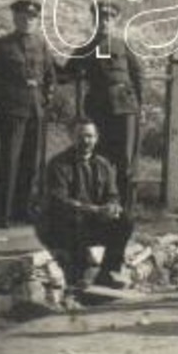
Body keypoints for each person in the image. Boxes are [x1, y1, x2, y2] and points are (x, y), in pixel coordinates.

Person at [0, 0, 56, 227]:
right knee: (10, 161)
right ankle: (1, 214)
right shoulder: (1, 46)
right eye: (23, 17)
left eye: (32, 18)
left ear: (36, 21)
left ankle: (22, 210)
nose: (28, 21)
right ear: (15, 18)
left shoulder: (41, 44)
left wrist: (46, 97)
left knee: (30, 162)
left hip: (35, 110)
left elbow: (50, 75)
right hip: (12, 110)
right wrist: (3, 102)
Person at [69, 0, 146, 213]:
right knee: (99, 157)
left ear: (116, 21)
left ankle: (125, 209)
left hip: (126, 108)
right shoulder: (85, 48)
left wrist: (141, 106)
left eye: (110, 18)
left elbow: (138, 75)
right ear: (94, 20)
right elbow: (67, 72)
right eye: (102, 17)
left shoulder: (123, 45)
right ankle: (102, 206)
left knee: (125, 160)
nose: (105, 22)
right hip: (99, 109)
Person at [37, 119, 132, 289]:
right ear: (71, 137)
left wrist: (112, 206)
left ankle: (107, 271)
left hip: (93, 220)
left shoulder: (103, 164)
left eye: (90, 136)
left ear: (96, 138)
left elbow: (113, 194)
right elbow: (60, 201)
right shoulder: (58, 164)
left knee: (125, 221)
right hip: (62, 223)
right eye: (80, 136)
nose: (86, 141)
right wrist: (95, 210)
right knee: (74, 219)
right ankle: (79, 274)